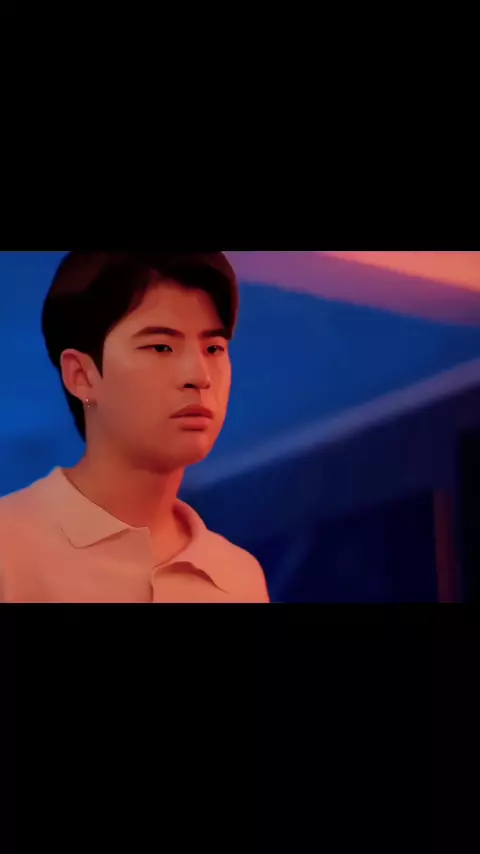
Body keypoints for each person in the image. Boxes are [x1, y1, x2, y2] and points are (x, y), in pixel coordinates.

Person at [0, 251, 270, 603]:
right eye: (161, 347)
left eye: (214, 348)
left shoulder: (239, 579)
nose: (200, 376)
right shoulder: (10, 548)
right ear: (81, 375)